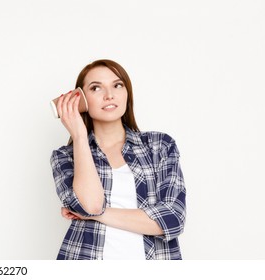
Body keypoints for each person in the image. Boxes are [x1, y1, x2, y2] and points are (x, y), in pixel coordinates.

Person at [50, 59, 186, 260]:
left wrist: (95, 216)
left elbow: (172, 219)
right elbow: (91, 206)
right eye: (96, 88)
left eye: (117, 85)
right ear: (80, 99)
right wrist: (79, 136)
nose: (109, 95)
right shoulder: (65, 156)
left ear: (127, 93)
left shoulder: (159, 145)